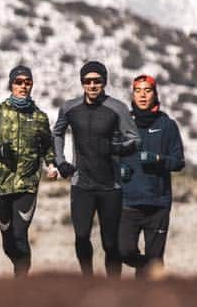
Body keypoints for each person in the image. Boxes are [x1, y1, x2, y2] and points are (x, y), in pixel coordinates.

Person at [52, 60, 140, 278]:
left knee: (110, 243)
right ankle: (87, 281)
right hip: (81, 183)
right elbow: (57, 133)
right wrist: (60, 160)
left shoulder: (117, 108)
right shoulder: (70, 108)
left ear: (104, 82)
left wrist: (115, 148)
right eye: (87, 81)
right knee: (81, 236)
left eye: (97, 81)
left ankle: (113, 286)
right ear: (82, 83)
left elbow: (135, 140)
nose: (92, 85)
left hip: (110, 186)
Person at [0, 64, 58, 277]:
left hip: (27, 184)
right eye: (19, 82)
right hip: (1, 185)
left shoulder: (39, 117)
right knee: (8, 241)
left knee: (20, 235)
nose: (23, 86)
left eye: (27, 82)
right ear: (11, 85)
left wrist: (51, 165)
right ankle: (18, 268)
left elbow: (47, 146)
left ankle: (21, 282)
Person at [118, 74, 185, 278]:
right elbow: (110, 156)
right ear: (132, 94)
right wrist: (118, 170)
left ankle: (146, 303)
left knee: (154, 265)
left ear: (155, 94)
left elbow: (178, 162)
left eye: (147, 91)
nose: (142, 95)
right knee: (124, 251)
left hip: (158, 204)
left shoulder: (167, 125)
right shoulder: (122, 124)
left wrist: (158, 159)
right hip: (128, 203)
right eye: (138, 91)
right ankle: (150, 265)